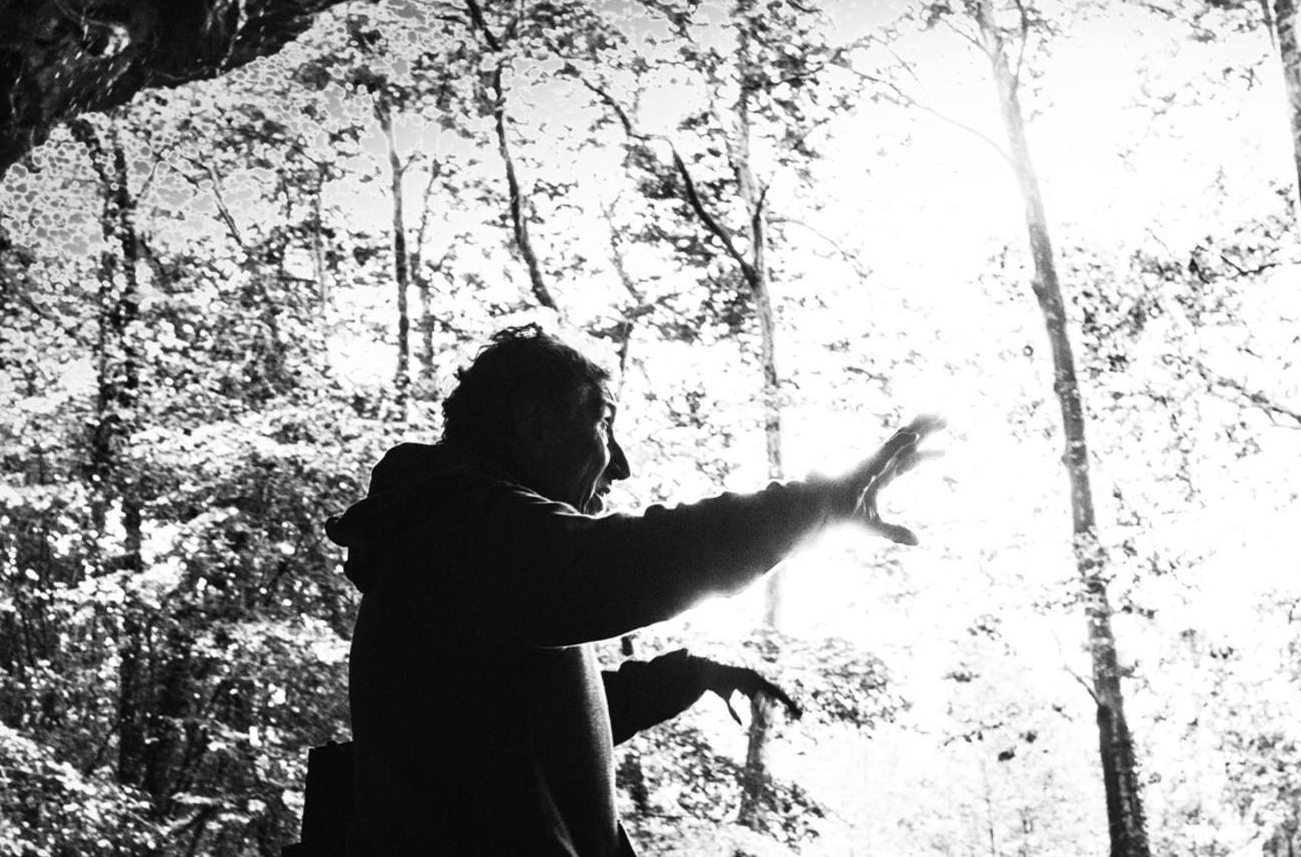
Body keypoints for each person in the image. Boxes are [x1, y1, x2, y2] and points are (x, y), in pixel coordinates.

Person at [323, 324, 941, 856]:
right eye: (603, 423)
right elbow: (641, 560)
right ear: (535, 427)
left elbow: (507, 731)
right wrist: (820, 502)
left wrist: (680, 678)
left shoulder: (468, 547)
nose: (620, 464)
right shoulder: (461, 530)